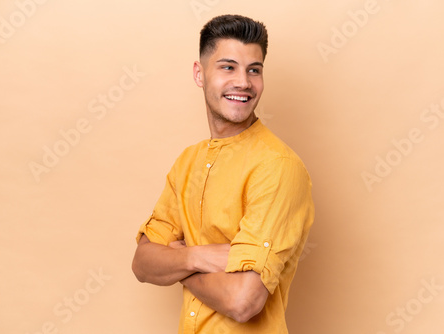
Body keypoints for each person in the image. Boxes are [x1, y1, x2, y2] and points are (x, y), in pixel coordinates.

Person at [132, 14, 315, 333]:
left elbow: (243, 301)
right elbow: (142, 264)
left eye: (254, 70)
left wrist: (177, 260)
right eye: (228, 67)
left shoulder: (277, 166)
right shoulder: (187, 162)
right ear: (199, 74)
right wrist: (198, 257)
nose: (244, 82)